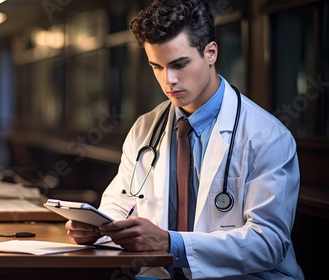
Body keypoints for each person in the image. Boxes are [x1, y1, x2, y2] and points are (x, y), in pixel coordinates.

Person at [65, 0, 305, 279]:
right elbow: (120, 204)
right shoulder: (145, 129)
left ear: (211, 53)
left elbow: (268, 244)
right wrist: (96, 228)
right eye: (157, 66)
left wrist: (171, 244)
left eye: (180, 64)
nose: (169, 81)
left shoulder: (267, 136)